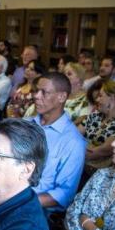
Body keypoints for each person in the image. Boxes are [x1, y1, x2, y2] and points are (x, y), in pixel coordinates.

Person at [30, 73, 86, 210]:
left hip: (37, 209)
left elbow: (64, 194)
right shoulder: (26, 124)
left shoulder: (73, 141)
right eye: (36, 91)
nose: (36, 96)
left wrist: (19, 203)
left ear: (62, 97)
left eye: (44, 92)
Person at [79, 80, 115, 172]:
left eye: (100, 96)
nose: (97, 100)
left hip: (98, 173)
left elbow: (99, 152)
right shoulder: (94, 116)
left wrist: (73, 149)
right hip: (79, 165)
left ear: (112, 98)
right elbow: (72, 137)